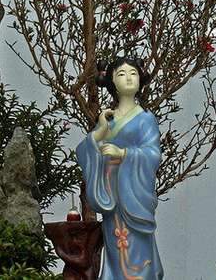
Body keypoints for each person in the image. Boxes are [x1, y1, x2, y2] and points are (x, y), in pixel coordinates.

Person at [76, 56, 164, 280]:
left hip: (135, 195)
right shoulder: (109, 119)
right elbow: (84, 152)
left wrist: (123, 153)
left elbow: (153, 154)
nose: (129, 78)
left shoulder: (146, 119)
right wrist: (99, 132)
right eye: (122, 74)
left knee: (138, 248)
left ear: (140, 79)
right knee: (117, 246)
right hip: (113, 194)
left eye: (133, 74)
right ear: (112, 81)